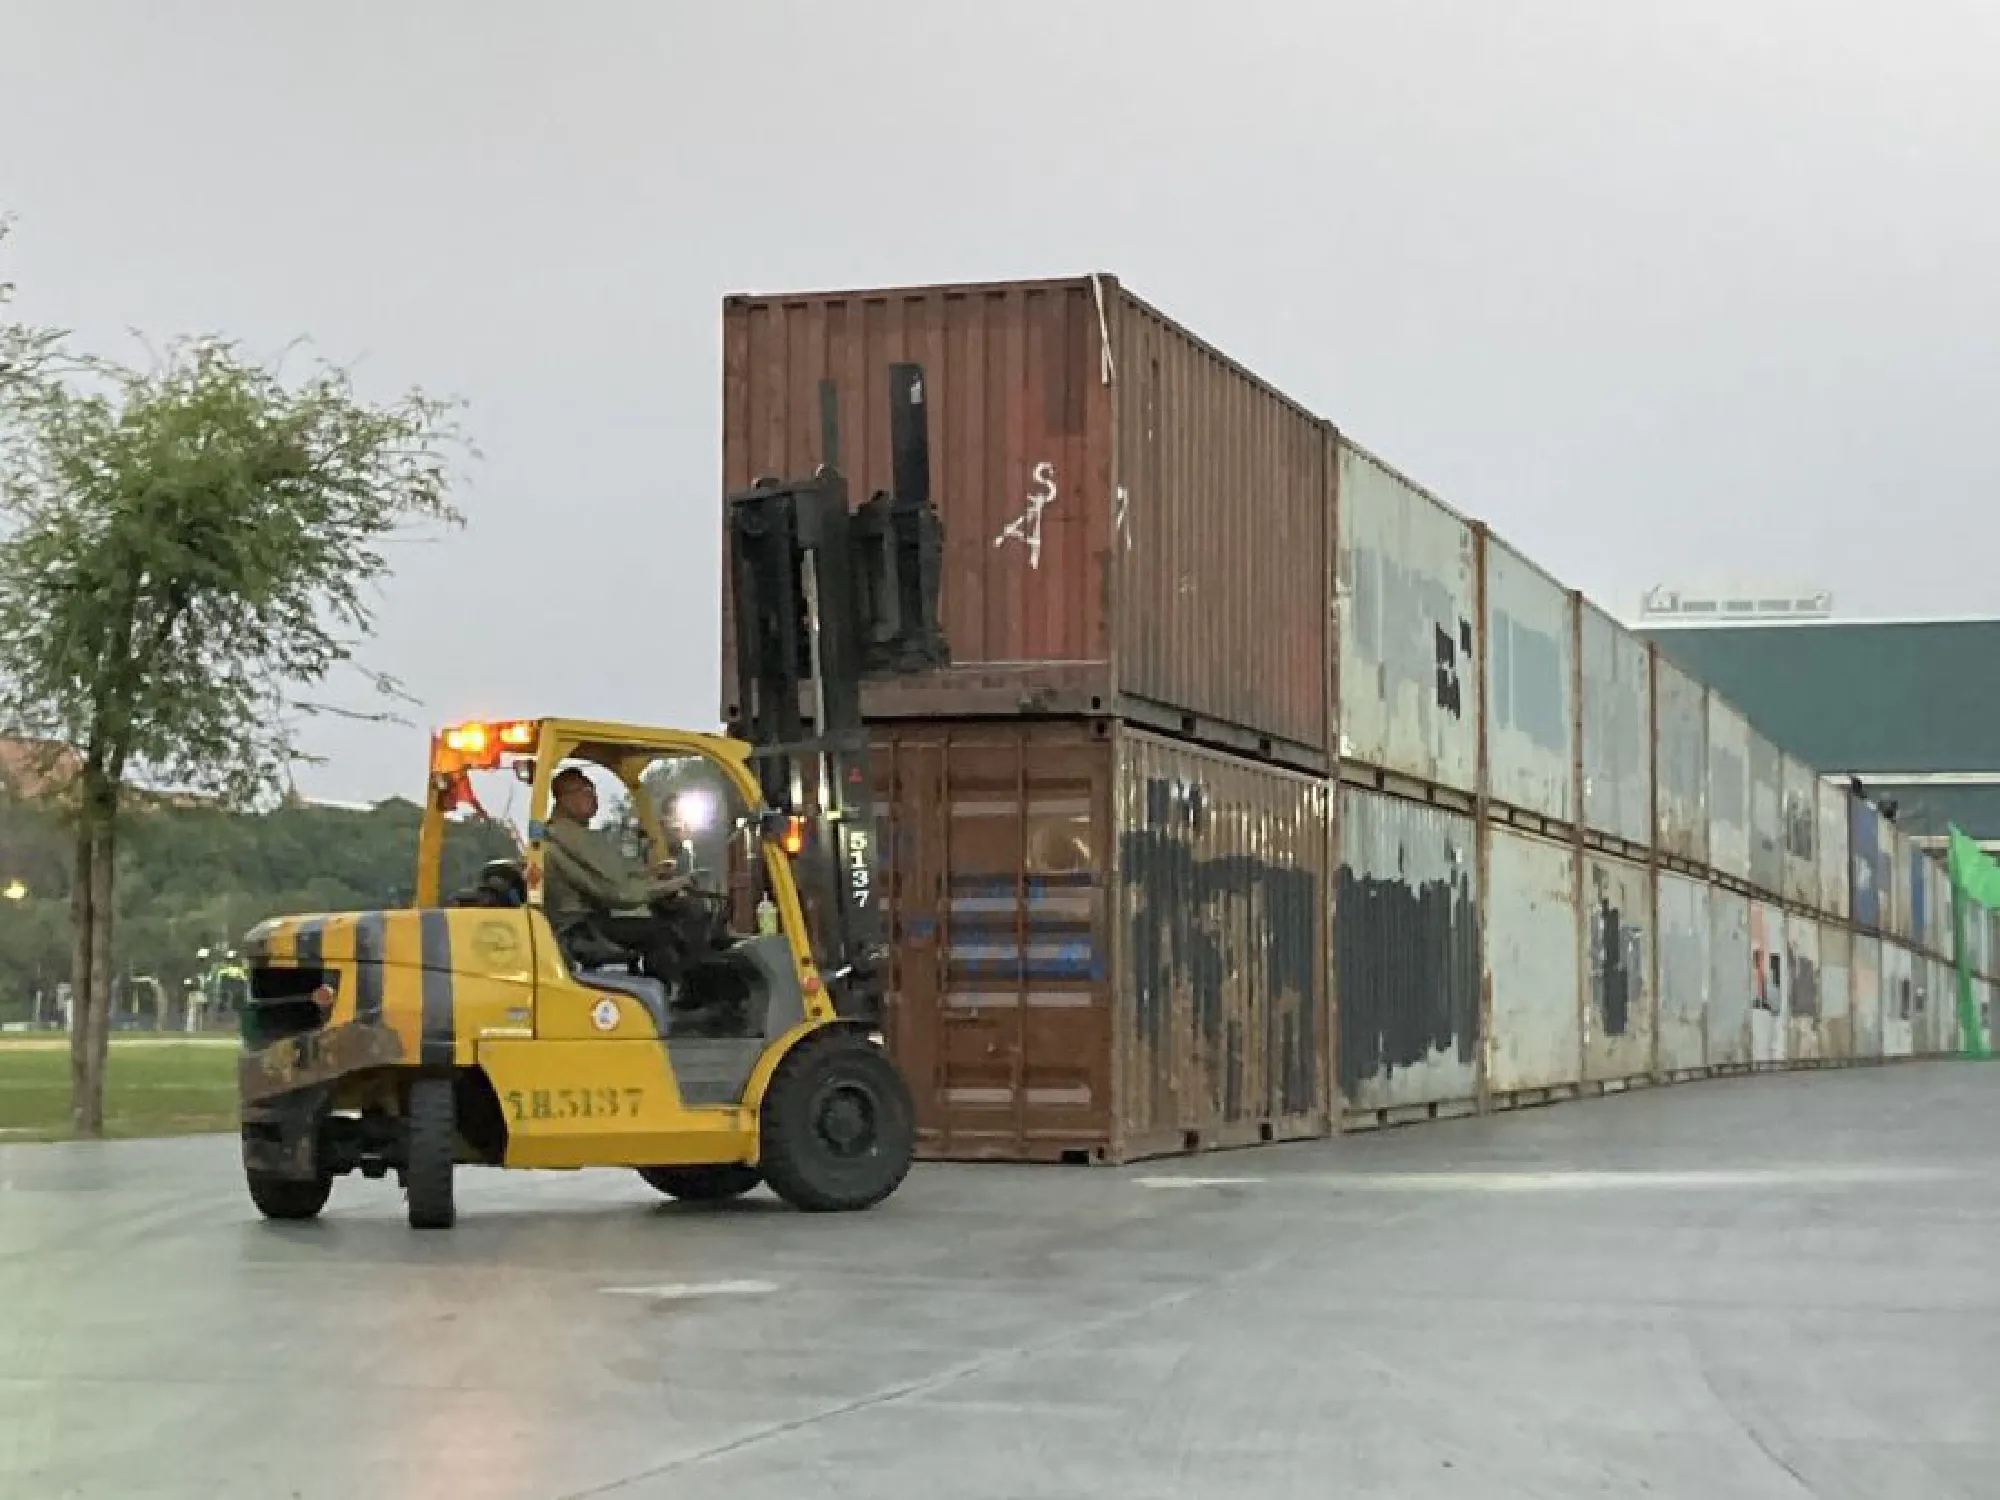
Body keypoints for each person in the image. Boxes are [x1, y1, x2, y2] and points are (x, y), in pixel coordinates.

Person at [541, 766, 698, 983]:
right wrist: (674, 885)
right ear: (565, 798)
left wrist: (651, 872)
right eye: (586, 791)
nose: (594, 798)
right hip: (580, 929)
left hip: (580, 925)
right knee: (663, 932)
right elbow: (617, 892)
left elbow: (611, 874)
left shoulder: (562, 834)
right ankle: (675, 993)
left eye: (593, 790)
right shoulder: (568, 837)